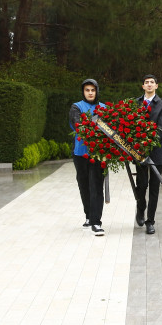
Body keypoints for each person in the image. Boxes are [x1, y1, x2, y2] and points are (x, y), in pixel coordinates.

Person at [69, 78, 107, 236]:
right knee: (84, 186)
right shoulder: (76, 107)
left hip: (99, 154)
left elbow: (110, 128)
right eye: (87, 90)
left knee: (96, 186)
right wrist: (96, 122)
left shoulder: (104, 107)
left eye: (93, 90)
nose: (90, 93)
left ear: (97, 91)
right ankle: (88, 216)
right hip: (81, 153)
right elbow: (79, 125)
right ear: (83, 92)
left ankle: (96, 221)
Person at [134, 74, 162, 235]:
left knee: (154, 188)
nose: (149, 85)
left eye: (151, 82)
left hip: (155, 151)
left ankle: (150, 221)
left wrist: (148, 144)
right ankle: (140, 209)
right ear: (143, 86)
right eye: (146, 82)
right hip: (139, 151)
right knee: (141, 186)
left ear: (156, 86)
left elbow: (161, 128)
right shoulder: (136, 103)